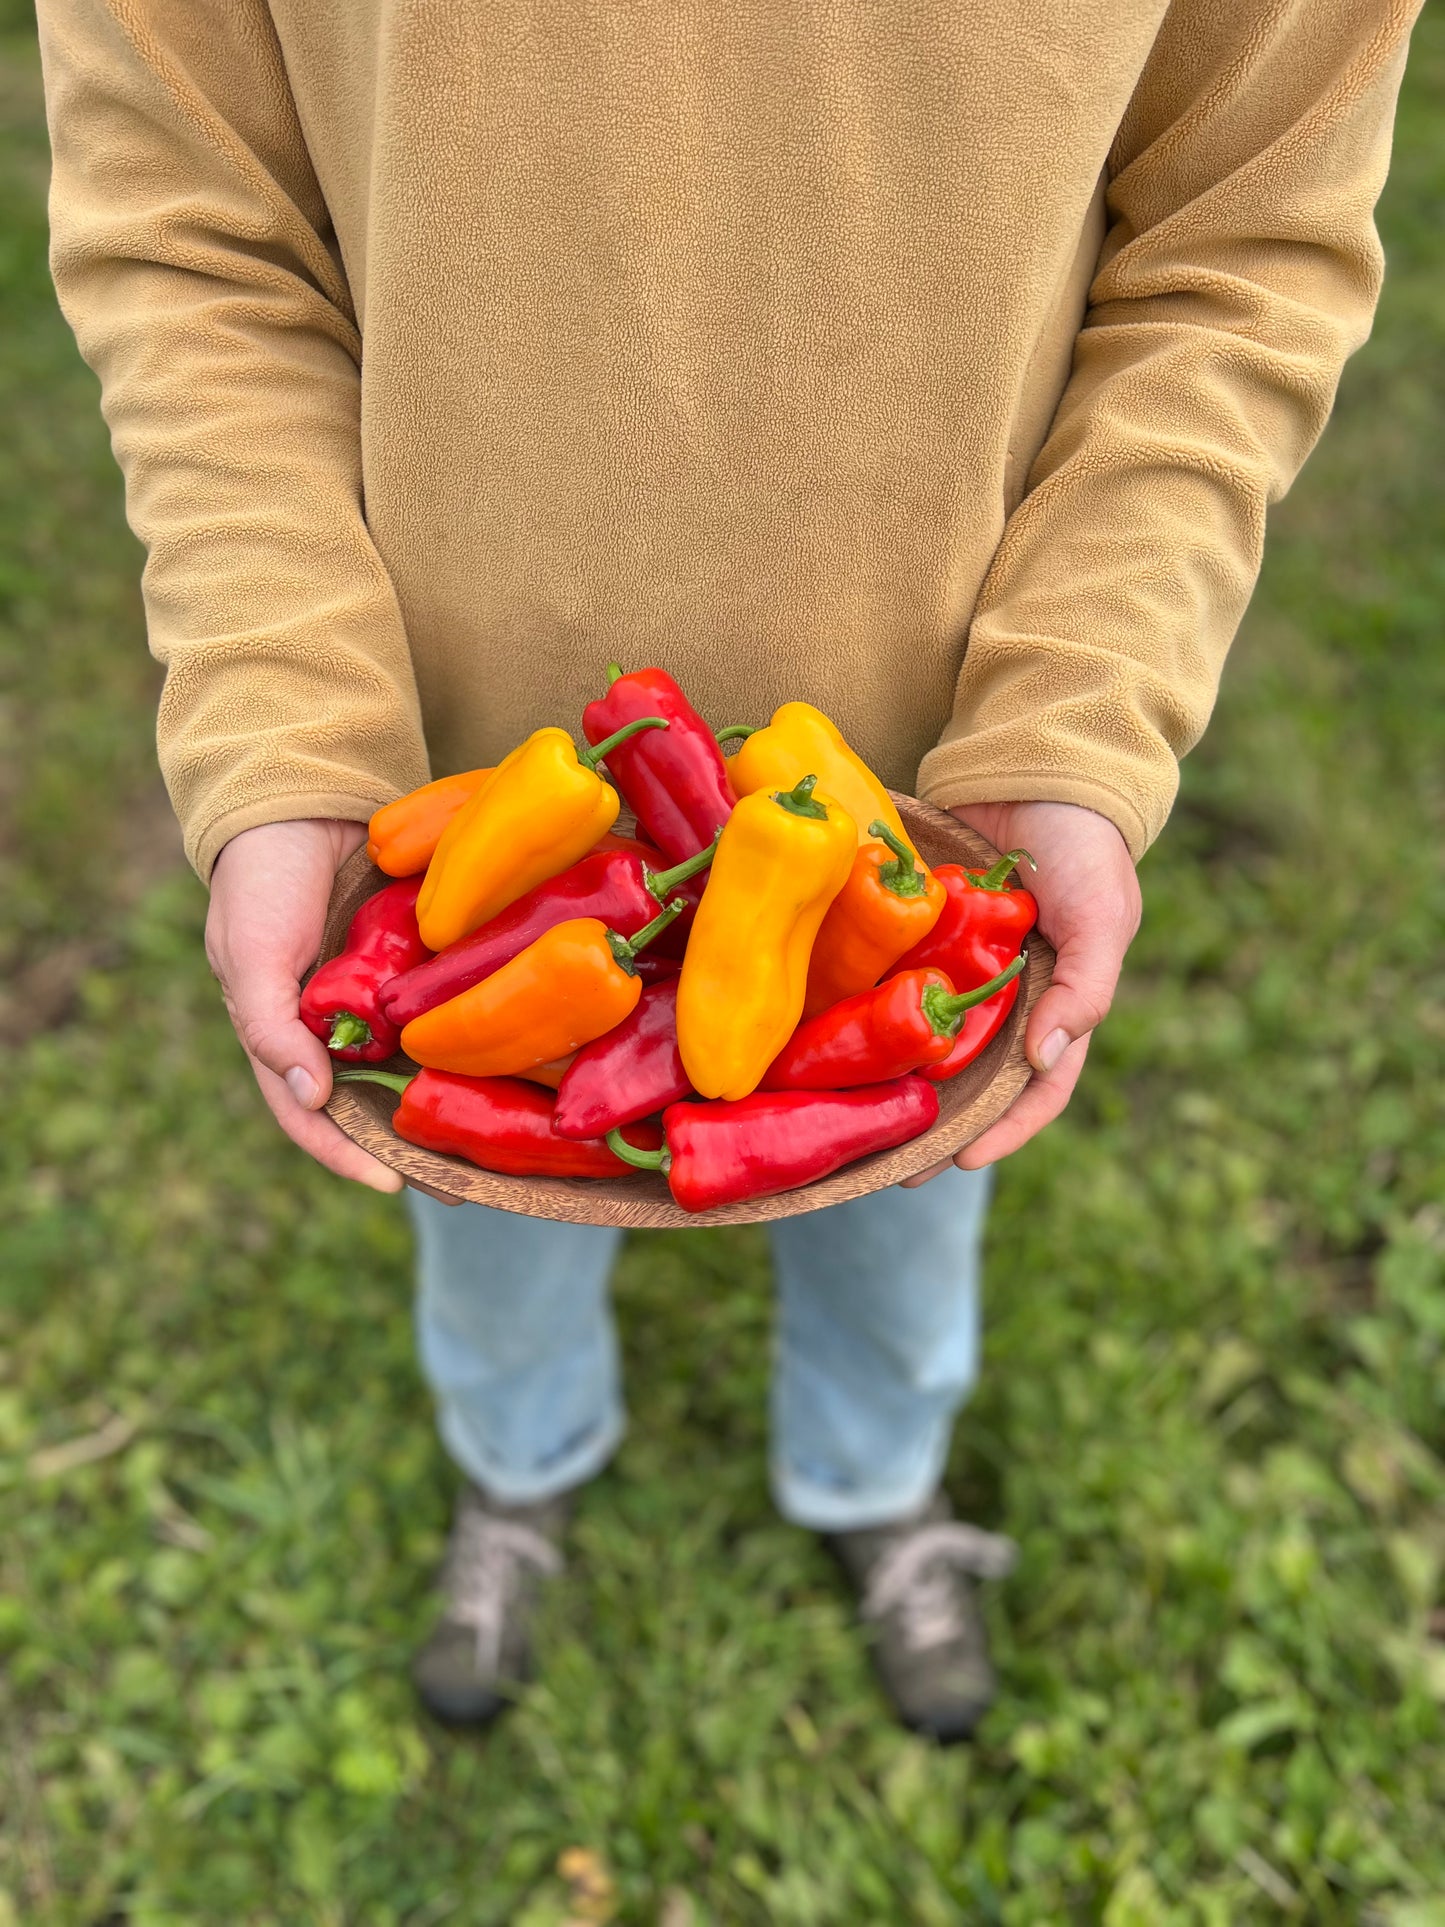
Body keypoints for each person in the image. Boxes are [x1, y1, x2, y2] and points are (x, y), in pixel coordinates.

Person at [38, 0, 1417, 1741]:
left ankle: (873, 1481)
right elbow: (197, 222)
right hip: (458, 792)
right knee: (475, 1159)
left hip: (921, 812)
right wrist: (288, 718)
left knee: (903, 1184)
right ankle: (517, 1464)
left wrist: (1068, 709)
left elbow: (1240, 226)